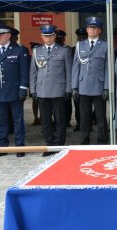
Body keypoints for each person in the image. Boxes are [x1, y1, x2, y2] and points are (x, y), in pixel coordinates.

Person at [30, 25, 72, 157]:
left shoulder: (64, 51)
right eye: (45, 36)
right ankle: (49, 144)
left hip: (59, 90)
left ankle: (59, 145)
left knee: (60, 119)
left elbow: (69, 72)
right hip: (42, 89)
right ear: (42, 37)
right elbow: (33, 72)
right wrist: (33, 89)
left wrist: (68, 89)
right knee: (46, 120)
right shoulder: (37, 51)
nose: (48, 38)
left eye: (50, 35)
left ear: (55, 36)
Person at [0, 24, 30, 158]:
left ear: (8, 35)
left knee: (18, 120)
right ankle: (2, 147)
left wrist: (23, 89)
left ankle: (20, 146)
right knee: (1, 120)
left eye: (0, 35)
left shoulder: (19, 50)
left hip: (14, 91)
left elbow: (23, 72)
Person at [72, 17, 109, 145]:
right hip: (83, 86)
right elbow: (76, 67)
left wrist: (107, 87)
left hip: (99, 87)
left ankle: (102, 141)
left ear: (100, 30)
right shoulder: (79, 45)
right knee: (84, 117)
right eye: (90, 27)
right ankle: (84, 140)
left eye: (95, 28)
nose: (92, 30)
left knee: (101, 118)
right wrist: (74, 87)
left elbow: (107, 68)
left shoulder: (105, 46)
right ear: (87, 29)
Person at [55, 29, 73, 128]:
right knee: (56, 104)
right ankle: (56, 121)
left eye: (61, 39)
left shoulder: (68, 49)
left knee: (67, 103)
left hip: (66, 80)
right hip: (56, 81)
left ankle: (67, 120)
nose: (59, 40)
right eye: (58, 38)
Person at [71, 28, 88, 132]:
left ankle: (89, 123)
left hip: (90, 82)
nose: (81, 38)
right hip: (78, 81)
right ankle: (79, 124)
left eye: (83, 36)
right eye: (79, 36)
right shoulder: (73, 49)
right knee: (78, 106)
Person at [29, 42, 42, 126]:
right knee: (34, 101)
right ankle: (35, 118)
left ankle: (41, 117)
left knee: (42, 101)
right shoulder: (29, 58)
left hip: (41, 83)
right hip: (33, 82)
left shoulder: (41, 57)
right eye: (32, 49)